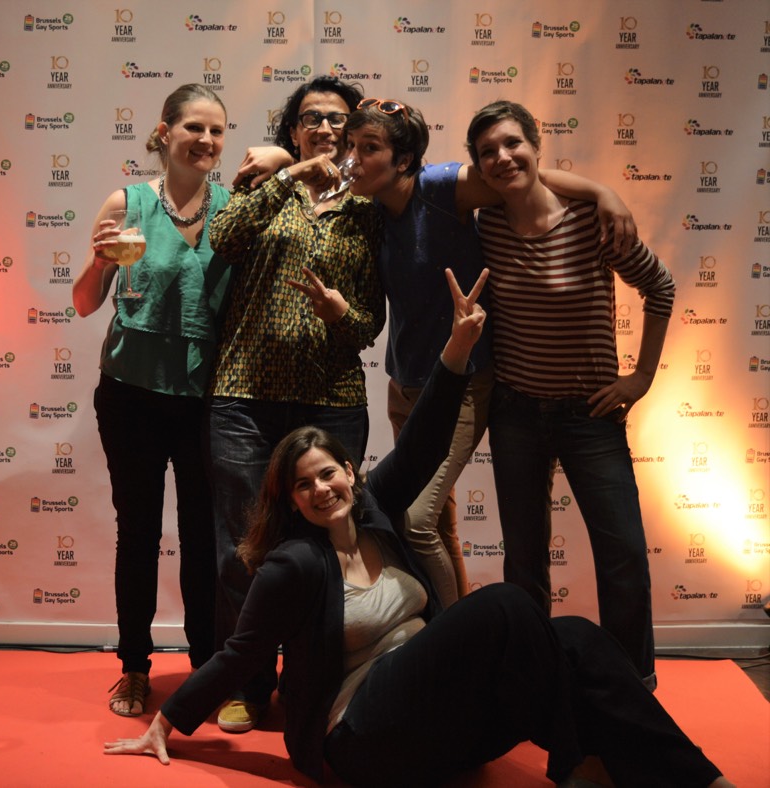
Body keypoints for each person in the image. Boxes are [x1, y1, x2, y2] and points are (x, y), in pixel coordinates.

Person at [104, 269, 732, 788]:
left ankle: (701, 779)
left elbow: (425, 440)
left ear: (351, 474)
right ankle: (576, 760)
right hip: (362, 740)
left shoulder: (376, 511)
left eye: (328, 474)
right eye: (303, 485)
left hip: (436, 726)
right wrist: (168, 723)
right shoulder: (295, 564)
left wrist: (457, 348)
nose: (321, 490)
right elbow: (241, 652)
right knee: (507, 604)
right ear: (290, 502)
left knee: (578, 638)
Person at [236, 99, 638, 610]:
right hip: (405, 386)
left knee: (416, 520)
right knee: (439, 520)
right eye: (351, 147)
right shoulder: (368, 205)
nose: (352, 158)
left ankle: (451, 637)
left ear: (403, 160)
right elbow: (316, 175)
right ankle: (451, 630)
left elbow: (521, 178)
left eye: (368, 148)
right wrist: (281, 159)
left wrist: (602, 192)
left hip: (461, 383)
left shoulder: (441, 187)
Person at [466, 99, 675, 689]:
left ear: (537, 145)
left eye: (513, 143)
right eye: (488, 152)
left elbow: (660, 289)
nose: (503, 158)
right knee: (523, 559)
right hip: (515, 412)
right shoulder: (487, 224)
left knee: (623, 556)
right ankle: (533, 680)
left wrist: (642, 377)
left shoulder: (591, 220)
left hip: (590, 414)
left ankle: (632, 687)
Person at [205, 75, 385, 733]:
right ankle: (250, 686)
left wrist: (341, 313)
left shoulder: (367, 210)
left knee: (329, 549)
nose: (326, 128)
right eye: (312, 118)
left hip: (330, 403)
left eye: (338, 120)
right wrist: (290, 174)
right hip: (243, 399)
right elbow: (224, 237)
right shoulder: (264, 186)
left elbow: (369, 324)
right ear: (292, 130)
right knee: (242, 551)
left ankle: (315, 684)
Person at [73, 84, 234, 716]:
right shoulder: (128, 203)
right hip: (131, 397)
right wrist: (98, 262)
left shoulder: (235, 210)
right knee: (137, 532)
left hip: (205, 399)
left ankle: (204, 668)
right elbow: (85, 303)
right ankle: (135, 667)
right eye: (194, 127)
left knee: (203, 539)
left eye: (216, 130)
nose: (206, 140)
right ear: (165, 132)